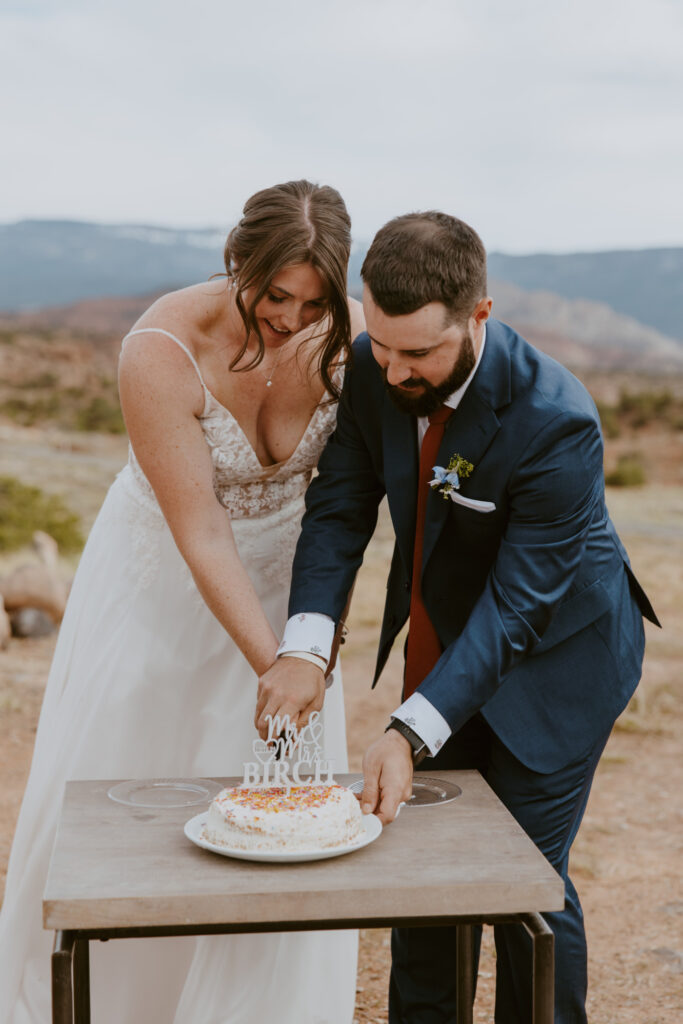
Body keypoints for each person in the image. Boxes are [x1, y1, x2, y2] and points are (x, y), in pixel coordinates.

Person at [256, 210, 660, 1023]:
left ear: (479, 313)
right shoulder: (377, 363)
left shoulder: (557, 420)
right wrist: (304, 646)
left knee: (521, 884)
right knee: (425, 878)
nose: (394, 370)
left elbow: (517, 607)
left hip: (555, 662)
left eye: (419, 353)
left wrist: (405, 731)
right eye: (381, 344)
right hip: (448, 646)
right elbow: (339, 508)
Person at [0, 179, 365, 1023]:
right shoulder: (159, 347)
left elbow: (345, 504)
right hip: (162, 586)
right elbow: (200, 529)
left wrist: (305, 651)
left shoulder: (344, 339)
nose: (291, 318)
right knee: (140, 790)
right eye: (275, 295)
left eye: (314, 301)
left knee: (283, 813)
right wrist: (271, 663)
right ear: (239, 262)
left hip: (292, 595)